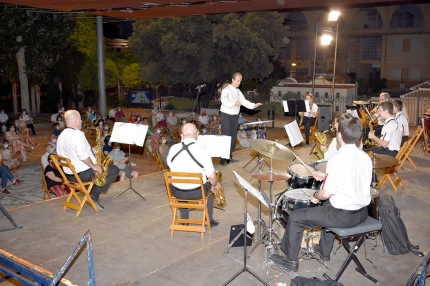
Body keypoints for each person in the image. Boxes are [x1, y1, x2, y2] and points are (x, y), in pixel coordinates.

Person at [270, 114, 372, 272]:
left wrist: (315, 195)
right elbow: (351, 180)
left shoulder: (337, 160)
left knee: (297, 217)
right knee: (329, 206)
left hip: (343, 217)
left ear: (339, 135)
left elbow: (325, 194)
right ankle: (324, 251)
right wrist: (326, 176)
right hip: (362, 213)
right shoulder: (365, 157)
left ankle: (290, 261)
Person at [56, 110, 120, 210]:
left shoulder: (62, 135)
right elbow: (82, 156)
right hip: (82, 174)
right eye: (80, 119)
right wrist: (94, 166)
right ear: (76, 120)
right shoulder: (77, 135)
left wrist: (90, 151)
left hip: (69, 175)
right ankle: (94, 194)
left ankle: (91, 191)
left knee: (103, 168)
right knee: (114, 169)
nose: (81, 121)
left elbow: (70, 152)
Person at [167, 123, 220, 227]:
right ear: (196, 134)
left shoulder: (173, 148)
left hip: (177, 192)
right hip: (197, 192)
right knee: (211, 186)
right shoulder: (203, 149)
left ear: (182, 135)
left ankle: (184, 220)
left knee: (181, 182)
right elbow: (212, 176)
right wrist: (215, 185)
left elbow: (171, 167)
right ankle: (209, 220)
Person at [220, 72, 262, 165]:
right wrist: (234, 103)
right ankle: (223, 158)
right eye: (238, 81)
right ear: (233, 80)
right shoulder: (226, 90)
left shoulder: (238, 91)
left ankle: (229, 156)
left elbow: (244, 101)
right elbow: (224, 101)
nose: (239, 83)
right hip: (226, 115)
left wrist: (253, 105)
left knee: (232, 136)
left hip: (235, 115)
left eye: (240, 81)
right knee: (225, 136)